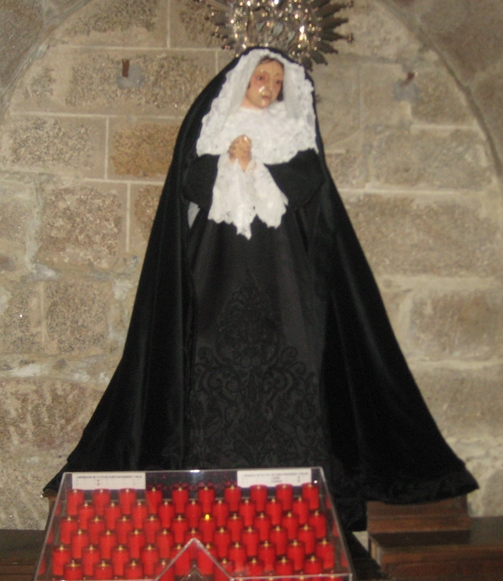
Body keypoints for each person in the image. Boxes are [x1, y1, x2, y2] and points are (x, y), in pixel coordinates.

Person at [45, 48, 477, 530]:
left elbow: (309, 179)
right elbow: (191, 181)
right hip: (216, 263)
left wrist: (260, 167)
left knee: (290, 356)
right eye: (261, 78)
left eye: (276, 81)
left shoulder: (291, 130)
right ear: (242, 81)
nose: (269, 88)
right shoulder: (215, 123)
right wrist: (227, 163)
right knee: (207, 355)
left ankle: (294, 506)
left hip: (280, 268)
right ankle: (206, 504)